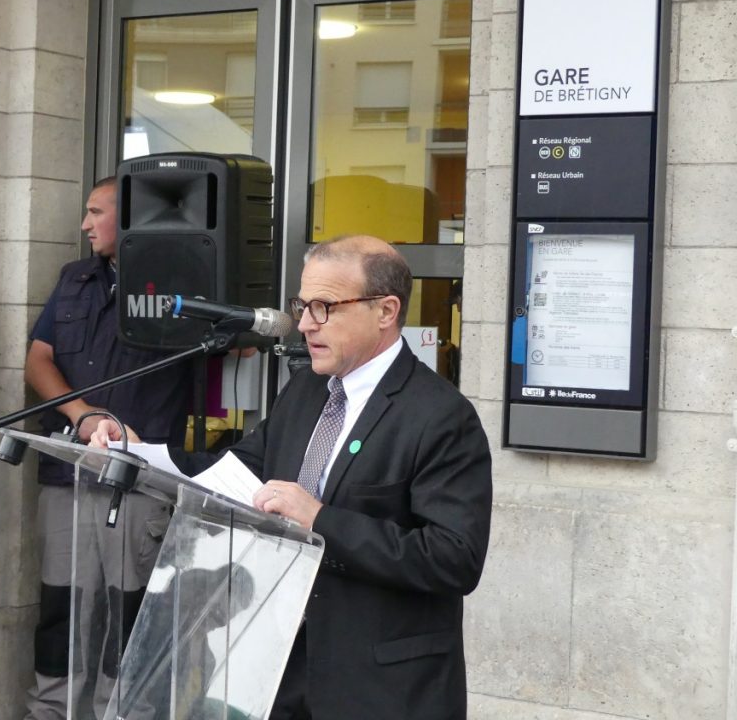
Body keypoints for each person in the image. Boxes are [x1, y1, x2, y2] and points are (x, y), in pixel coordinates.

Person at [93, 235, 492, 720]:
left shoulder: (440, 415)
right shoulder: (306, 389)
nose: (304, 324)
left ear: (386, 311)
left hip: (382, 686)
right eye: (302, 306)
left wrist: (320, 519)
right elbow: (235, 472)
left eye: (324, 307)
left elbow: (454, 558)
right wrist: (137, 452)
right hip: (282, 673)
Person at [22, 177, 191, 720]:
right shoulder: (75, 279)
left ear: (132, 218)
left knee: (128, 611)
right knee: (60, 607)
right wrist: (83, 415)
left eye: (96, 212)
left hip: (138, 481)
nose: (85, 224)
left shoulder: (182, 282)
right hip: (66, 471)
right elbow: (38, 360)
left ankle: (121, 712)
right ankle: (51, 711)